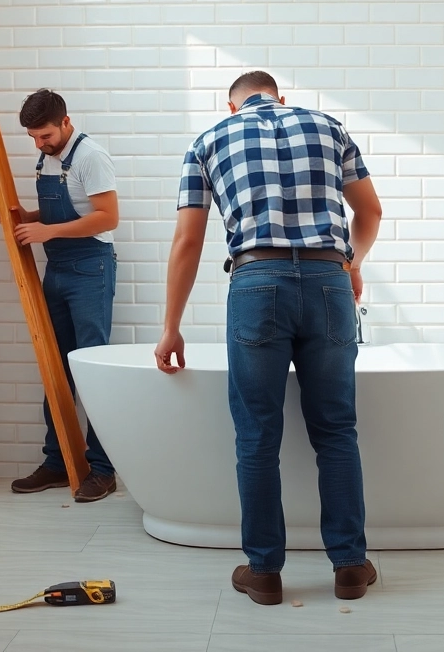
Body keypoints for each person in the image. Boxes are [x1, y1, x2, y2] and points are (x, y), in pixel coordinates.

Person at [154, 71, 384, 605]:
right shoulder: (329, 127)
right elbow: (369, 211)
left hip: (257, 281)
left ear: (232, 106)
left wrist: (171, 327)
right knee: (336, 430)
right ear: (281, 98)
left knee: (257, 436)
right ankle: (350, 567)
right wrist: (350, 262)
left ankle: (264, 573)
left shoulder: (208, 141)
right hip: (328, 281)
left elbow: (188, 240)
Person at [0, 89, 121, 503]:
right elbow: (59, 211)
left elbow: (106, 217)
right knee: (55, 367)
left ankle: (102, 469)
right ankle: (58, 461)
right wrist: (24, 217)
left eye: (44, 135)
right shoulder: (48, 156)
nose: (39, 144)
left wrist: (46, 232)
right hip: (58, 270)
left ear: (65, 122)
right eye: (33, 137)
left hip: (90, 269)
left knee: (92, 368)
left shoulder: (90, 157)